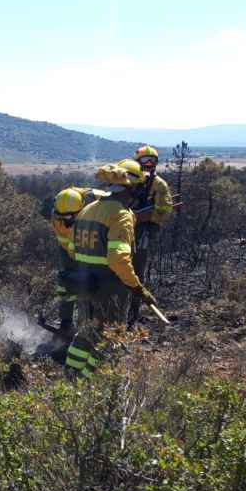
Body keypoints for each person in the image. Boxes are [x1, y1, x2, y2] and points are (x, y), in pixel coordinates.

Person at [64, 161, 156, 378]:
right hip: (110, 290)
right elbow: (118, 259)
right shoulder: (121, 215)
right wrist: (137, 287)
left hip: (84, 284)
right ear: (131, 188)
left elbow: (71, 249)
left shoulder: (87, 209)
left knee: (86, 333)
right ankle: (90, 384)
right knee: (110, 338)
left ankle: (70, 377)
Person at [127, 146, 173, 326]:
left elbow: (166, 210)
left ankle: (132, 314)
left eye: (151, 161)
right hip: (121, 228)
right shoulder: (128, 179)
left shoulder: (159, 184)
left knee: (137, 273)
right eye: (144, 161)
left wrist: (148, 216)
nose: (148, 164)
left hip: (143, 232)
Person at [50, 186, 106, 332]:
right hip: (69, 247)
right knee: (67, 281)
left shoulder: (100, 201)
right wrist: (75, 257)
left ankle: (91, 322)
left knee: (91, 283)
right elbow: (64, 239)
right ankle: (65, 321)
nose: (63, 220)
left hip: (91, 245)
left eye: (68, 217)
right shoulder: (58, 212)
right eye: (60, 216)